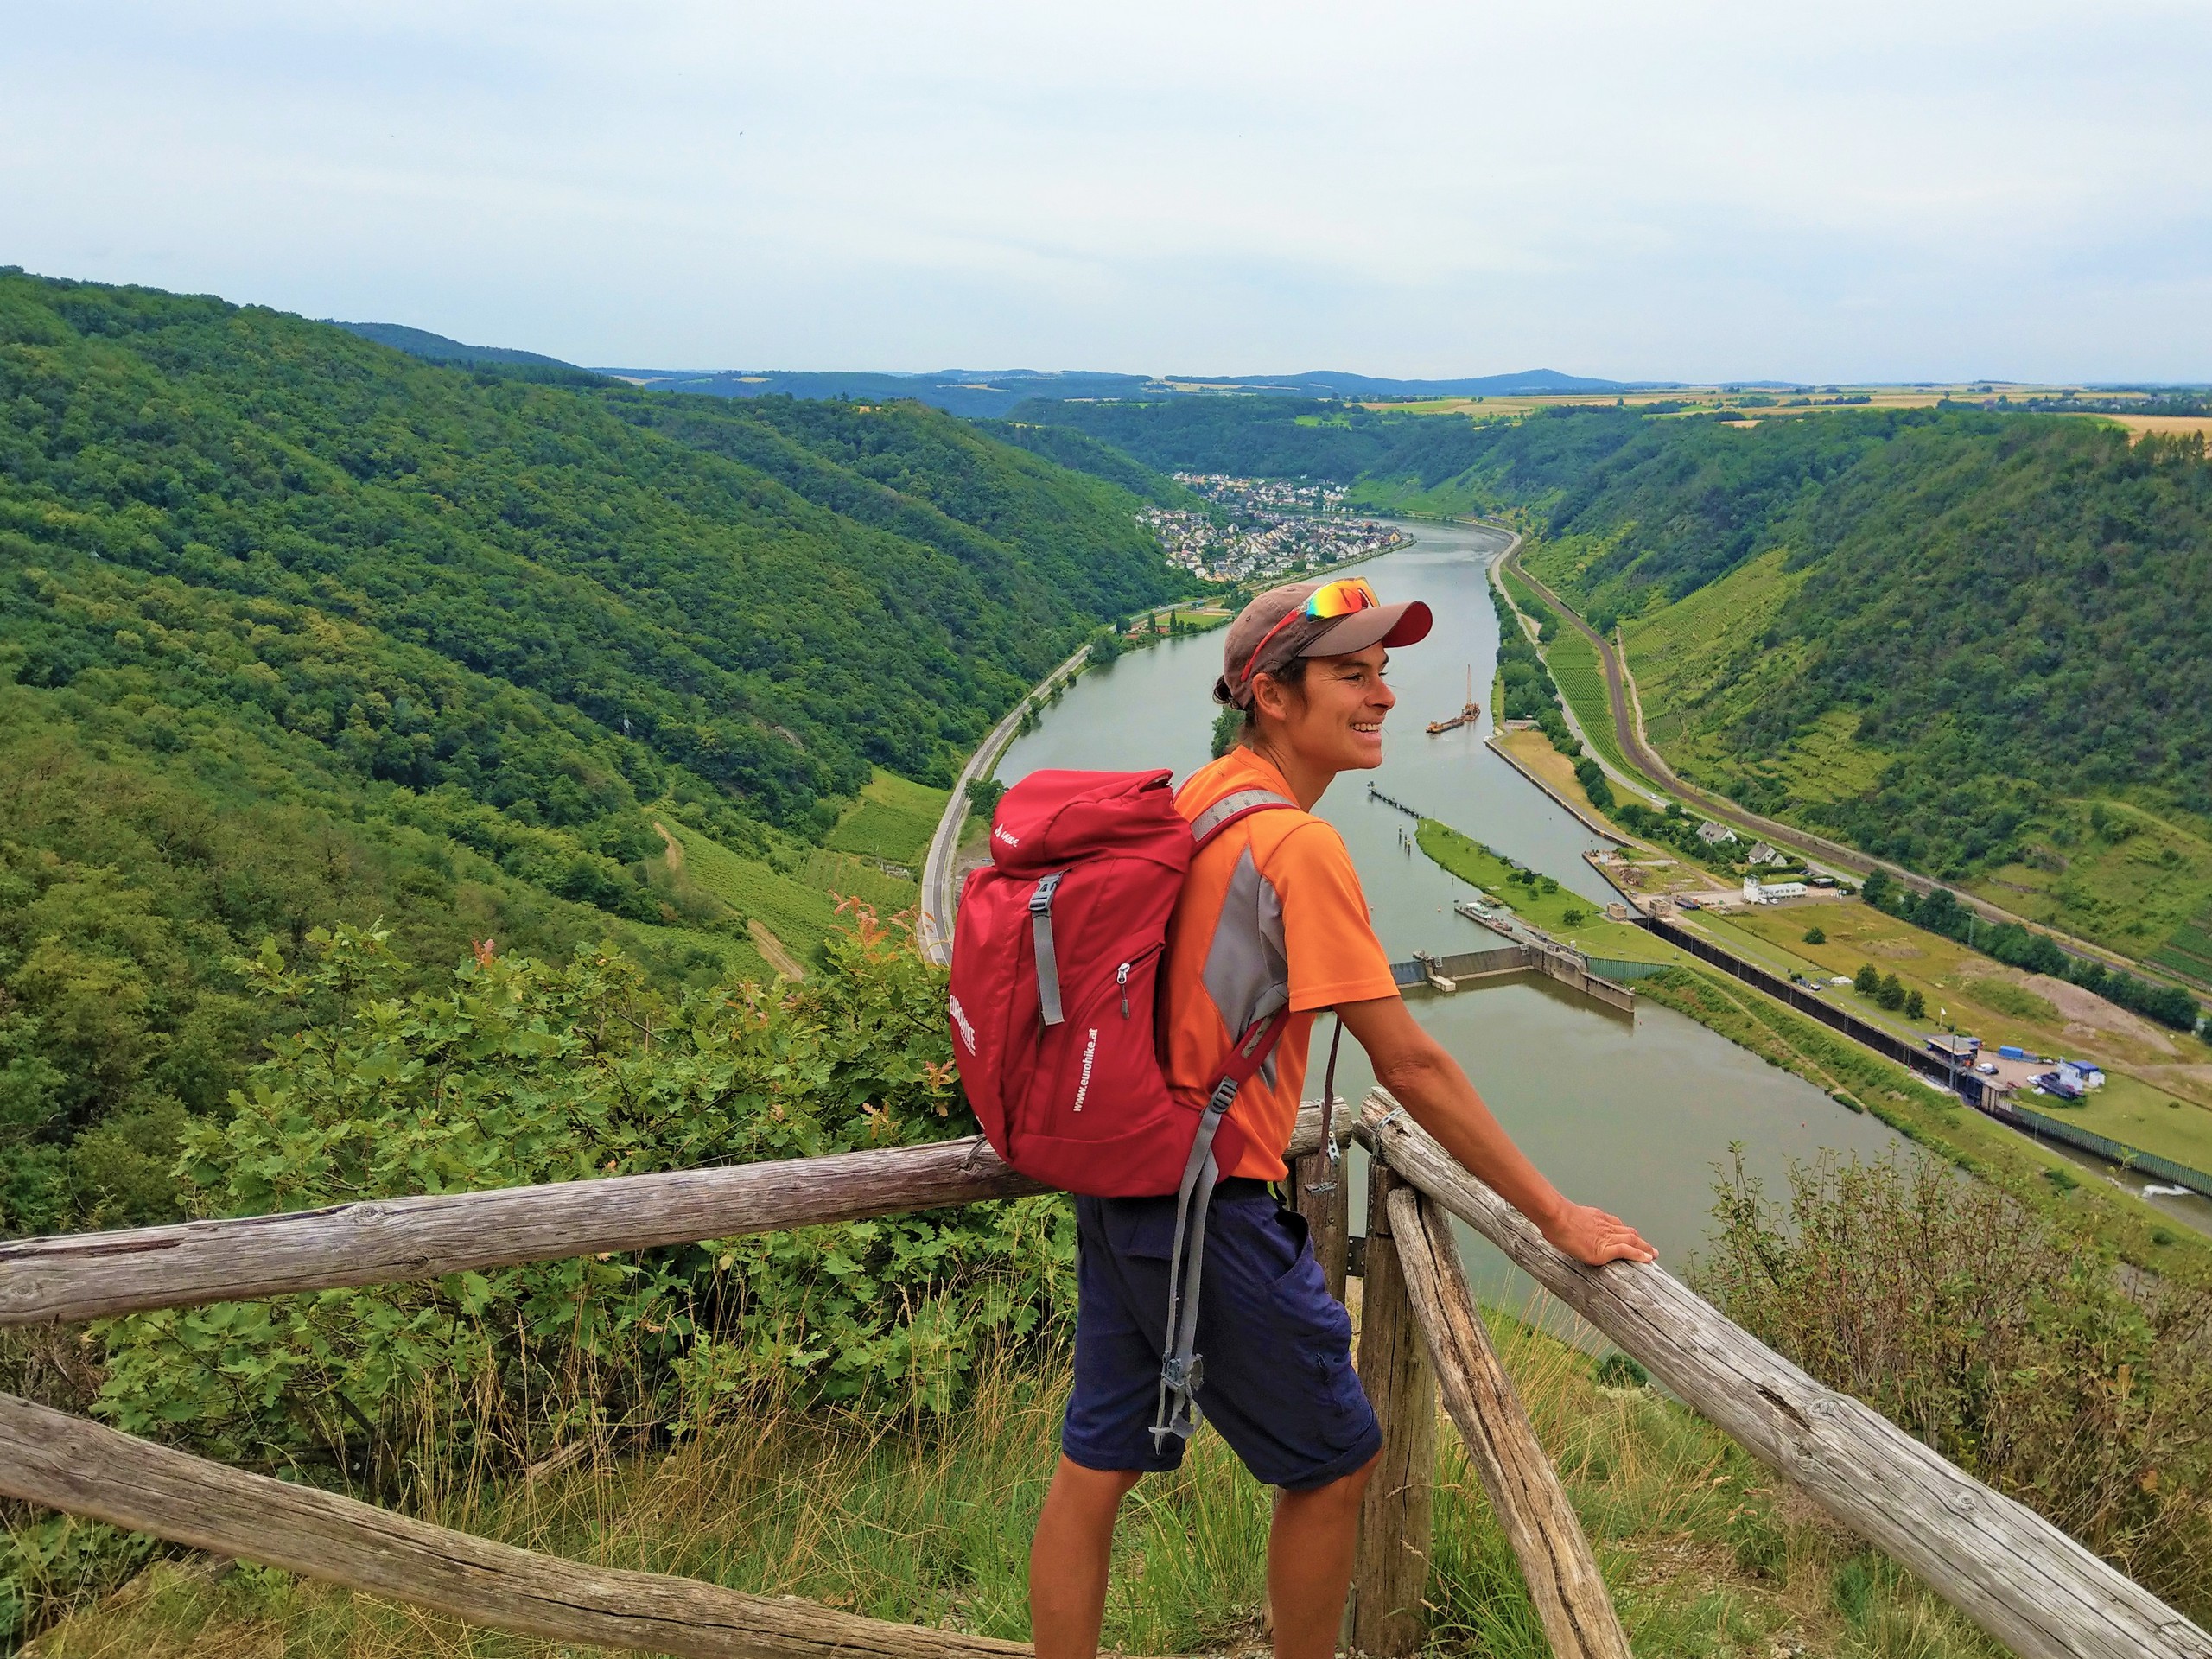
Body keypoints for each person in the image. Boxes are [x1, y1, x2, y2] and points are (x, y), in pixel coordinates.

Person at [1028, 575, 1656, 1659]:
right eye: (1351, 676)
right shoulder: (1298, 847)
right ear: (1271, 695)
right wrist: (1555, 1214)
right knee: (1332, 1461)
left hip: (1128, 1177)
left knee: (1098, 1463)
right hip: (1209, 1200)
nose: (1383, 697)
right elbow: (1407, 1062)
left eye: (1383, 673)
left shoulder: (1199, 798)